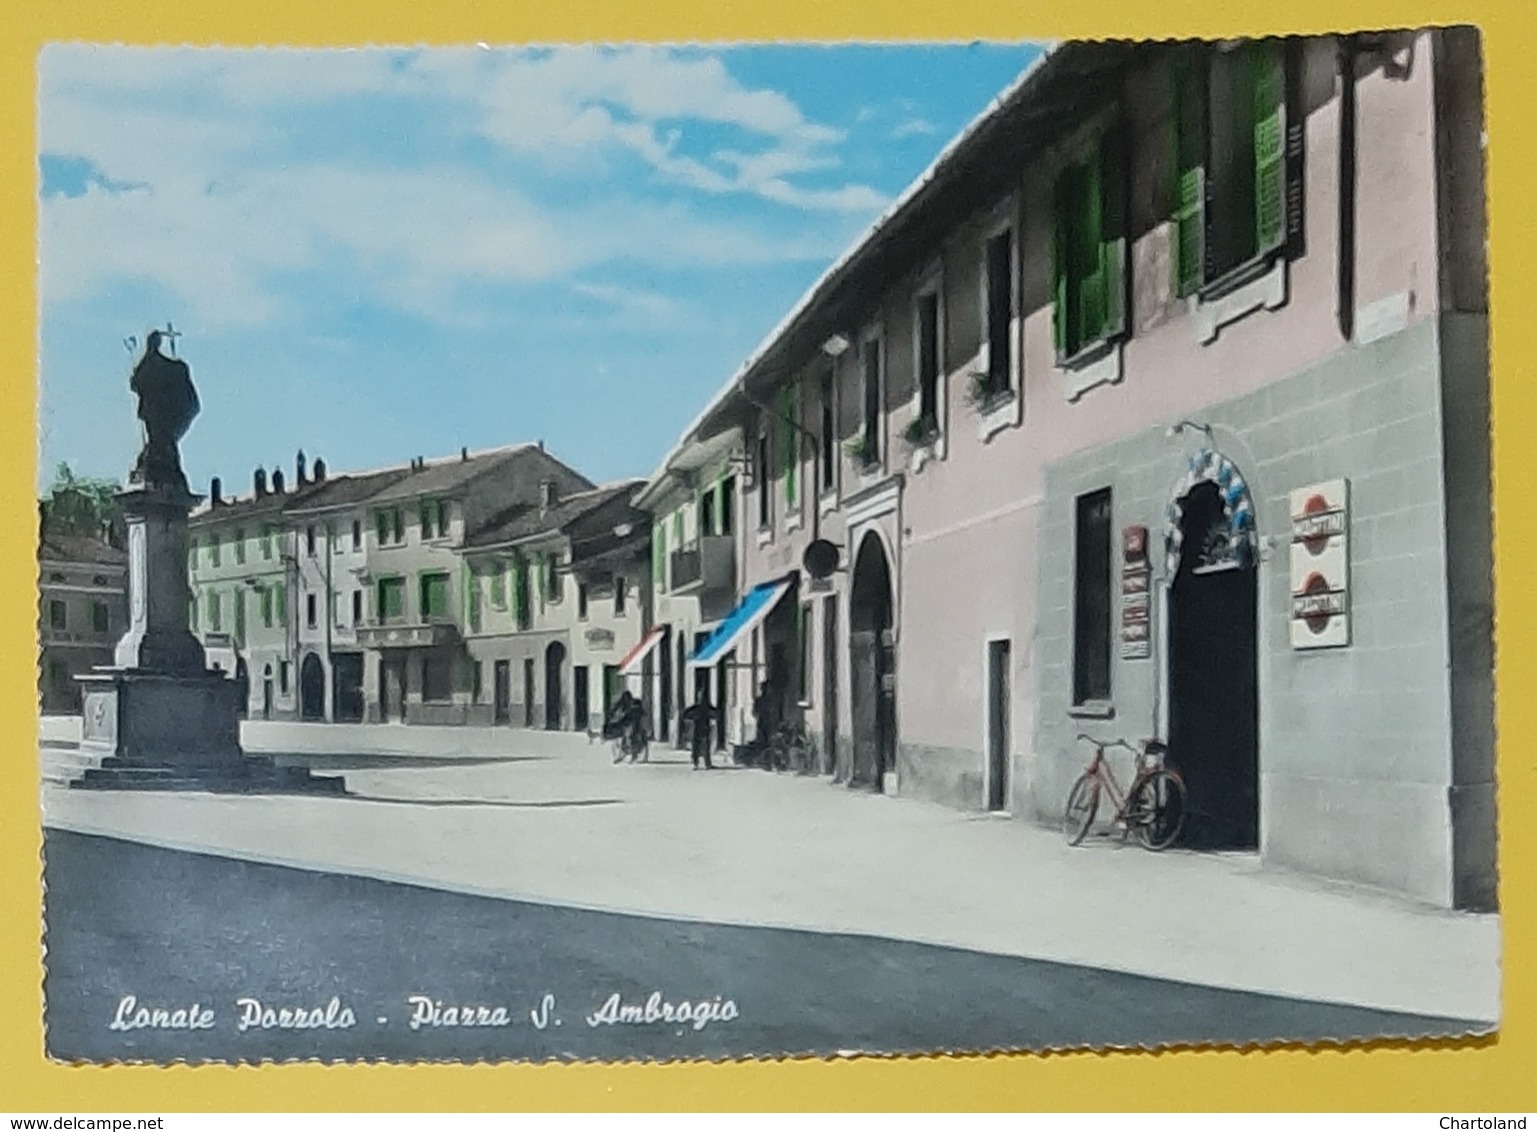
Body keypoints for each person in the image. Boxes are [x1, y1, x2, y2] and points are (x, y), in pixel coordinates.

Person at [682, 689, 716, 770]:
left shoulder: (697, 708)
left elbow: (685, 714)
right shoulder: (703, 708)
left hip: (698, 729)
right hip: (701, 729)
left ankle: (698, 763)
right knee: (702, 746)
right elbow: (715, 714)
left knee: (699, 747)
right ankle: (704, 763)